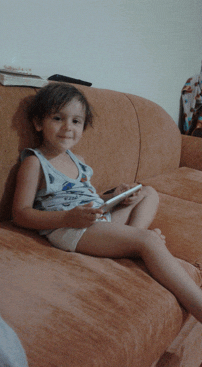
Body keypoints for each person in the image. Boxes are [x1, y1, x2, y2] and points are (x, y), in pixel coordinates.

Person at [12, 83, 202, 323]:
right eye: (58, 118)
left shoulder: (78, 160)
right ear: (39, 123)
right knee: (150, 241)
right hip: (68, 228)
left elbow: (88, 197)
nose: (67, 128)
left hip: (94, 219)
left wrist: (114, 197)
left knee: (148, 192)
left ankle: (130, 239)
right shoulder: (35, 163)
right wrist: (67, 218)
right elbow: (20, 213)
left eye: (76, 121)